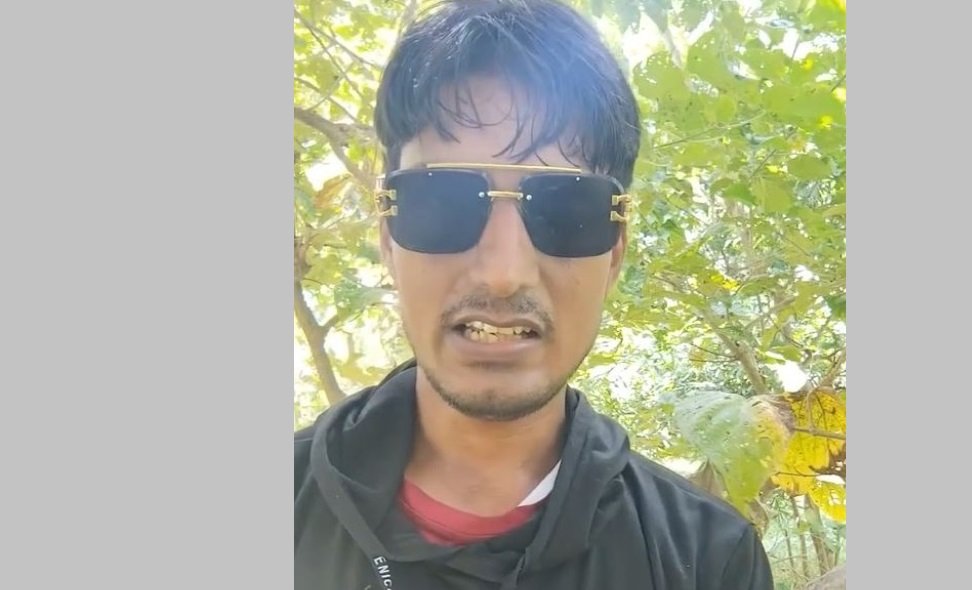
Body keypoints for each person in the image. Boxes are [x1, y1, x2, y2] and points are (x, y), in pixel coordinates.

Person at [294, 1, 775, 588]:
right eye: (440, 203)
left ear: (615, 252)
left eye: (567, 211)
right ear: (388, 240)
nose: (504, 273)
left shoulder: (707, 559)